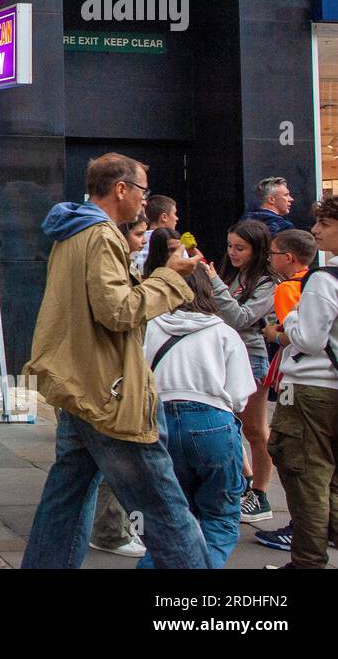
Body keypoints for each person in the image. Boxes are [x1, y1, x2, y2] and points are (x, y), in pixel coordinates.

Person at [23, 153, 211, 569]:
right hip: (109, 392)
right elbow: (117, 311)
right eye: (142, 191)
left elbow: (100, 304)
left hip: (79, 386)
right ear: (121, 189)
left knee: (65, 504)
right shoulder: (102, 235)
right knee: (166, 511)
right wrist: (171, 277)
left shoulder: (72, 230)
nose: (145, 202)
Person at [136, 244, 256, 569]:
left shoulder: (149, 326)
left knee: (170, 520)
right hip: (213, 424)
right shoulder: (225, 333)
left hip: (160, 425)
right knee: (219, 517)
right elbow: (240, 396)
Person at [275, 196, 338, 569]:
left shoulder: (322, 280)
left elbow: (310, 340)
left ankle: (307, 563)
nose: (315, 231)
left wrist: (294, 318)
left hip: (312, 389)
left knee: (307, 477)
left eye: (325, 225)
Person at [203, 219, 278, 523]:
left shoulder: (266, 282)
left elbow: (240, 317)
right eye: (230, 246)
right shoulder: (232, 276)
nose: (233, 253)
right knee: (229, 424)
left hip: (250, 356)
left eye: (240, 248)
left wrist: (215, 283)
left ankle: (260, 493)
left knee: (255, 429)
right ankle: (246, 484)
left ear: (256, 249)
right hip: (222, 354)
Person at [88, 215, 151, 558]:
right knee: (126, 461)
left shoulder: (94, 249)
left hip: (99, 379)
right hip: (110, 381)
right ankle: (112, 531)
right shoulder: (105, 253)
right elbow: (119, 314)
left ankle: (108, 530)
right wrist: (168, 281)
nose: (143, 241)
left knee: (75, 474)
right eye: (139, 234)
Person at [254, 228, 318, 553]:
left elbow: (294, 334)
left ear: (288, 258)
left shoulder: (285, 290)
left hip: (297, 376)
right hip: (320, 378)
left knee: (293, 454)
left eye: (274, 253)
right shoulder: (319, 284)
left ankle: (301, 532)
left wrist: (272, 332)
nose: (270, 259)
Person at [133, 194, 177, 274]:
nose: (176, 218)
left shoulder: (133, 241)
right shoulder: (176, 243)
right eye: (175, 214)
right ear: (164, 217)